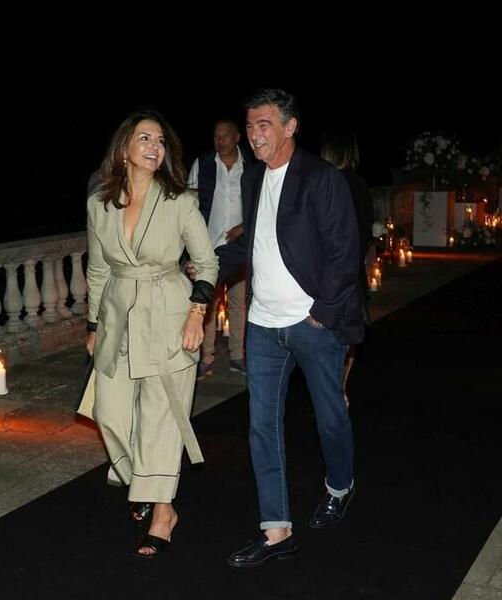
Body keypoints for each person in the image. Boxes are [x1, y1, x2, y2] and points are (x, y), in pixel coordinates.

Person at [227, 89, 365, 567]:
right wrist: (202, 266)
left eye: (264, 124)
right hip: (262, 326)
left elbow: (346, 252)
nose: (254, 134)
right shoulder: (253, 179)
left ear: (290, 126)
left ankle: (340, 486)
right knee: (261, 426)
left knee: (330, 415)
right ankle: (276, 530)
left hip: (312, 324)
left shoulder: (322, 178)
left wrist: (322, 312)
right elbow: (253, 244)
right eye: (250, 126)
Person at [80, 108, 218, 557]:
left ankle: (163, 512)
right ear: (124, 148)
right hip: (118, 315)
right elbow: (98, 270)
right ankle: (143, 479)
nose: (154, 147)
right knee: (109, 413)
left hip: (169, 313)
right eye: (144, 138)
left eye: (160, 141)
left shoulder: (179, 201)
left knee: (161, 417)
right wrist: (93, 325)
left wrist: (196, 315)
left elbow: (207, 262)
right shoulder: (100, 204)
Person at [187, 119, 250, 379]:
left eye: (225, 135)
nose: (219, 140)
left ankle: (237, 356)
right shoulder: (202, 164)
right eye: (216, 136)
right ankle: (206, 358)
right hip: (208, 248)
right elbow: (189, 204)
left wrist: (245, 227)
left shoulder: (251, 166)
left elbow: (260, 205)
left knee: (238, 303)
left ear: (237, 138)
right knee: (207, 303)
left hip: (238, 248)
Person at [320, 129, 374, 407]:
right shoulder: (359, 183)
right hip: (354, 270)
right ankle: (341, 389)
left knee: (329, 332)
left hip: (330, 270)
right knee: (349, 333)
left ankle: (331, 390)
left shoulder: (328, 182)